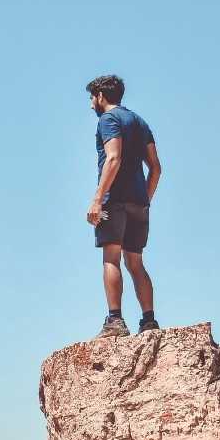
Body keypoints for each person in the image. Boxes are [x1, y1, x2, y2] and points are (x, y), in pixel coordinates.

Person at [85, 74, 162, 337]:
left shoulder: (108, 120)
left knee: (111, 258)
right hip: (139, 202)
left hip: (115, 200)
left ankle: (115, 320)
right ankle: (149, 320)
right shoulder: (139, 122)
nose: (91, 105)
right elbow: (156, 168)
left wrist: (98, 199)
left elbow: (113, 158)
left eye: (91, 98)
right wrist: (145, 200)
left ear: (101, 96)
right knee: (136, 262)